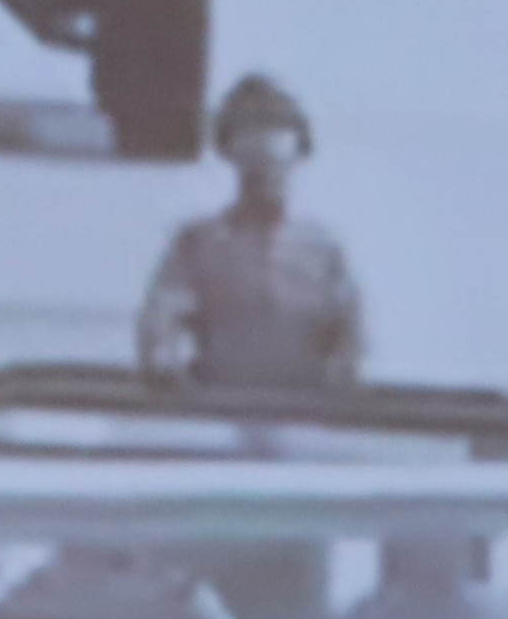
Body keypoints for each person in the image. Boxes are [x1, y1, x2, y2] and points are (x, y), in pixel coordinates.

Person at [137, 70, 366, 392]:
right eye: (256, 174)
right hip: (218, 407)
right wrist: (166, 369)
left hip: (302, 409)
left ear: (295, 163)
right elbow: (162, 320)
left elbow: (351, 336)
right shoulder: (199, 243)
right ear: (236, 165)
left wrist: (343, 376)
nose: (268, 183)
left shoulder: (322, 249)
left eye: (277, 172)